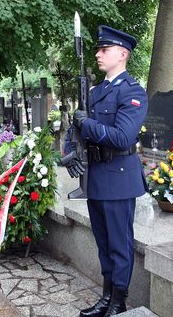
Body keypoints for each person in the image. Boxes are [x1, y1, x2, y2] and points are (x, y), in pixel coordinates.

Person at [66, 25, 148, 316]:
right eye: (98, 49)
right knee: (103, 244)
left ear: (122, 54)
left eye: (105, 49)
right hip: (96, 177)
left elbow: (123, 137)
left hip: (119, 176)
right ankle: (105, 297)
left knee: (119, 244)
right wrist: (69, 152)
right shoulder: (95, 91)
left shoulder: (132, 92)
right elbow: (74, 127)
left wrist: (87, 124)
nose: (98, 54)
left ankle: (118, 301)